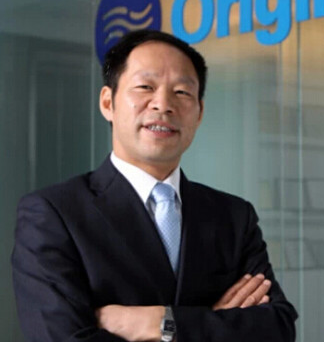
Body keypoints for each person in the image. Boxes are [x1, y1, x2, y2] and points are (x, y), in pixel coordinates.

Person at [12, 30, 297, 342]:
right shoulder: (54, 214)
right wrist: (211, 322)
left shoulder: (234, 216)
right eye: (145, 87)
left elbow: (278, 328)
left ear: (199, 113)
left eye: (182, 92)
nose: (163, 104)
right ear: (108, 102)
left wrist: (159, 322)